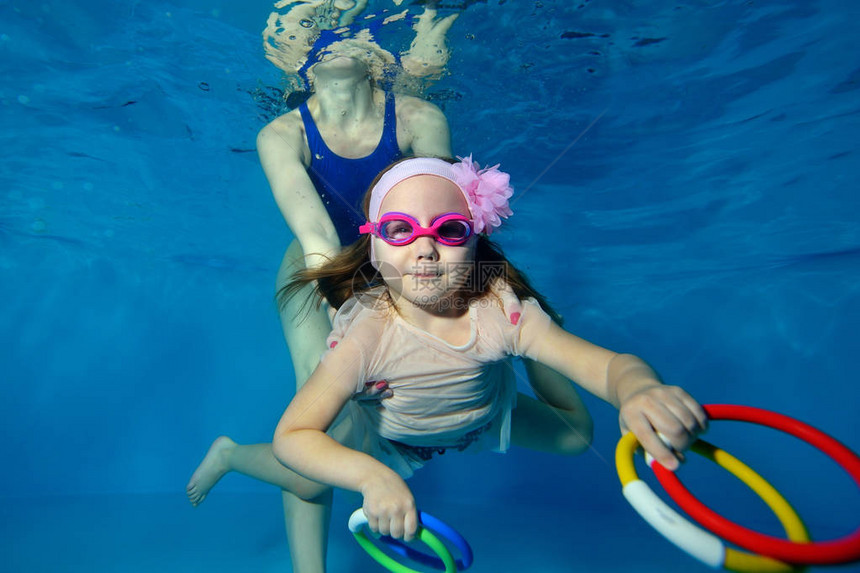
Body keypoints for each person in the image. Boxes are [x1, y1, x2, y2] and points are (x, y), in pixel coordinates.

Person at [271, 156, 708, 548]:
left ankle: (539, 345)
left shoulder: (498, 312)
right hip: (391, 434)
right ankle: (229, 455)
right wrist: (372, 476)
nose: (425, 247)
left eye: (450, 229)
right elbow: (292, 436)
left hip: (481, 420)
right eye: (400, 229)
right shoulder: (364, 340)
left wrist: (639, 390)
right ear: (372, 243)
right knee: (305, 482)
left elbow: (614, 367)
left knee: (578, 438)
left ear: (475, 241)